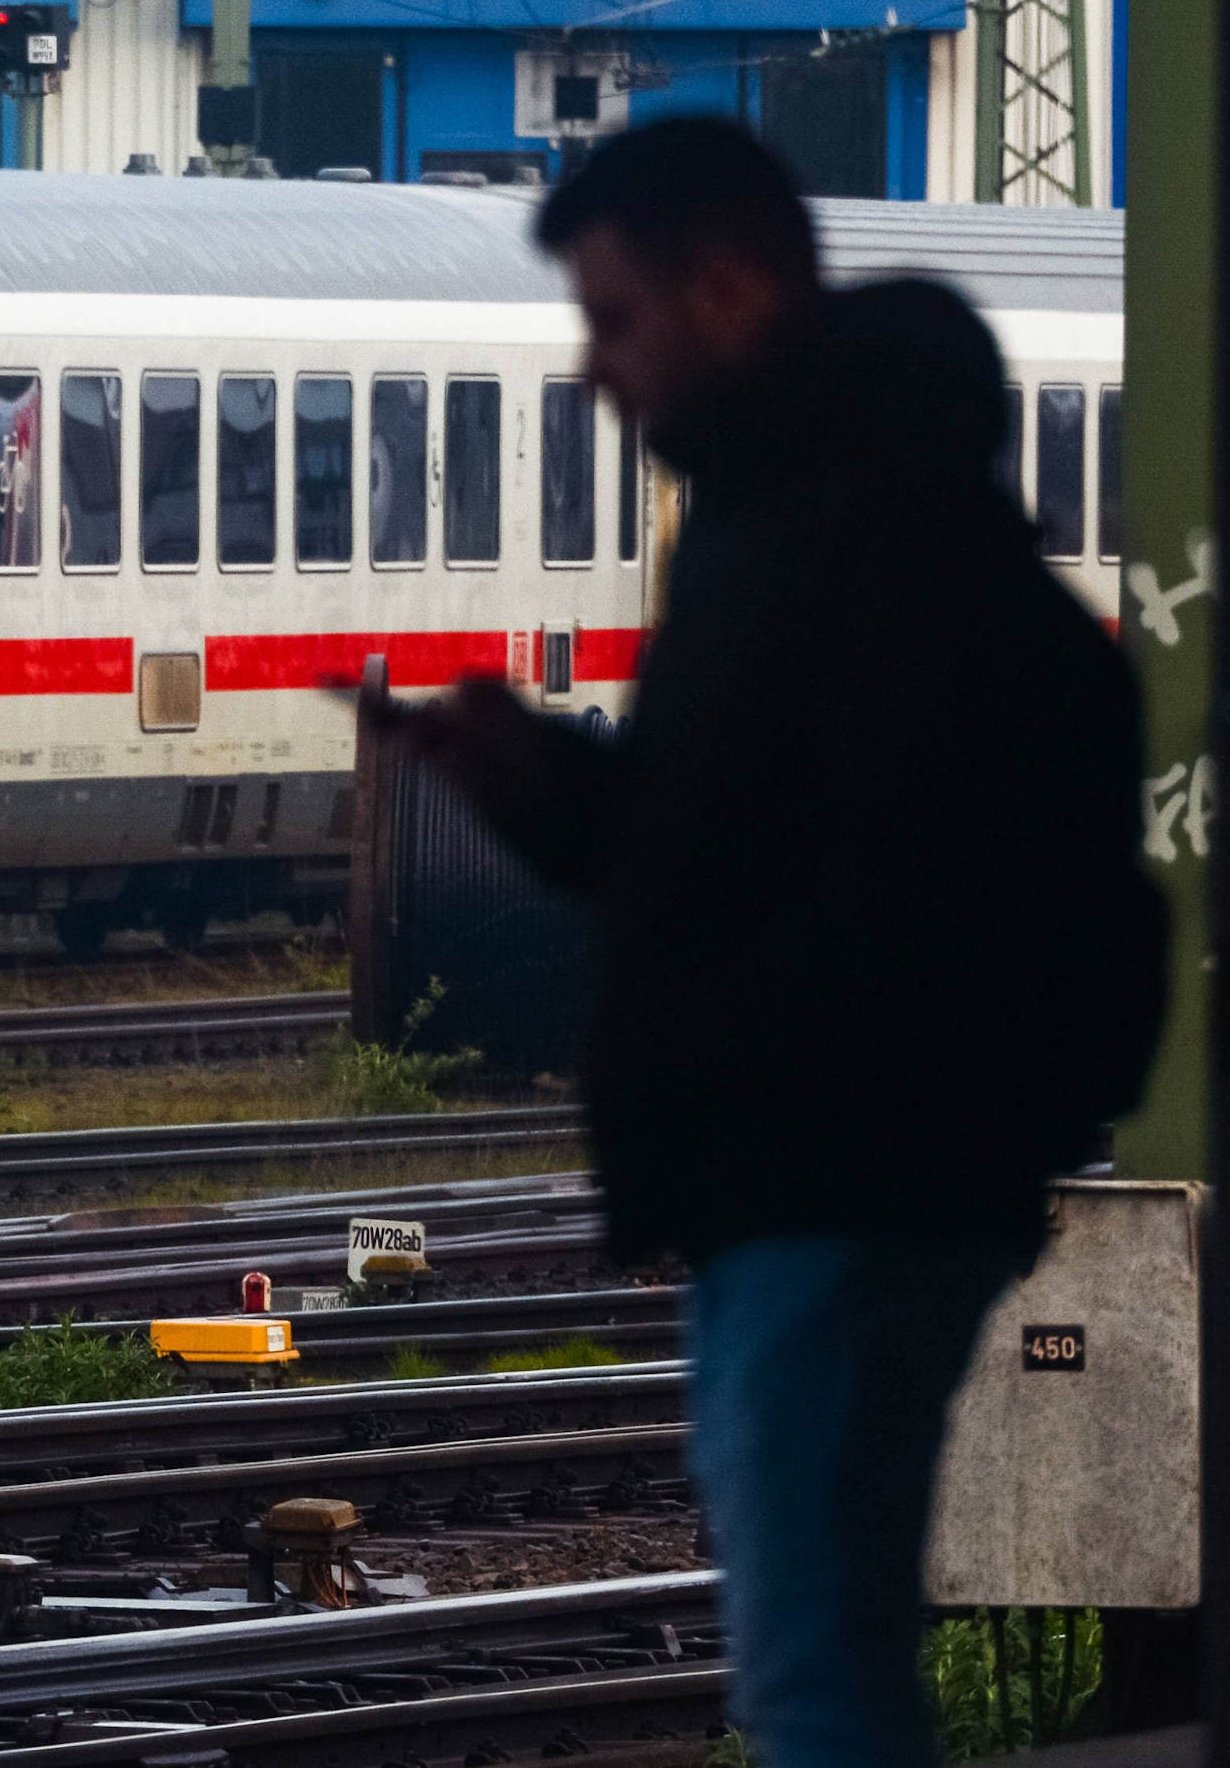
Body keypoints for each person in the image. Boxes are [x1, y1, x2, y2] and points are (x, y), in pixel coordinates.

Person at [369, 116, 1164, 1768]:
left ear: (723, 290)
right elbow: (731, 840)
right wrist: (533, 783)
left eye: (612, 321)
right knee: (817, 1657)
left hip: (838, 1182)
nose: (597, 371)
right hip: (824, 1180)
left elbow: (848, 886)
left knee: (815, 1675)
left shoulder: (844, 539)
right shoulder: (809, 518)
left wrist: (721, 1064)